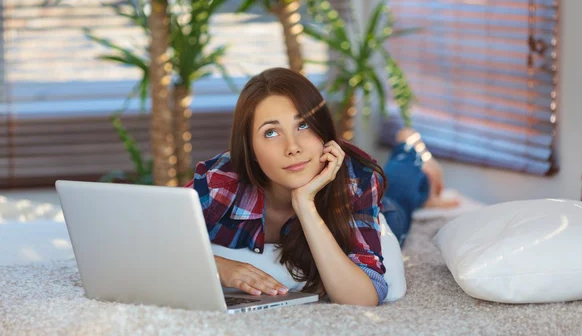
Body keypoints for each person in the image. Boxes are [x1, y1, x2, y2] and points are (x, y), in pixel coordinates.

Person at [186, 67, 456, 306]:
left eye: (302, 125)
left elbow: (362, 299)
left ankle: (410, 149)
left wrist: (304, 204)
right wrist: (218, 266)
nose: (293, 148)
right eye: (271, 132)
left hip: (380, 212)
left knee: (402, 196)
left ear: (322, 130)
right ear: (251, 149)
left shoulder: (355, 179)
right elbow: (152, 239)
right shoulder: (220, 182)